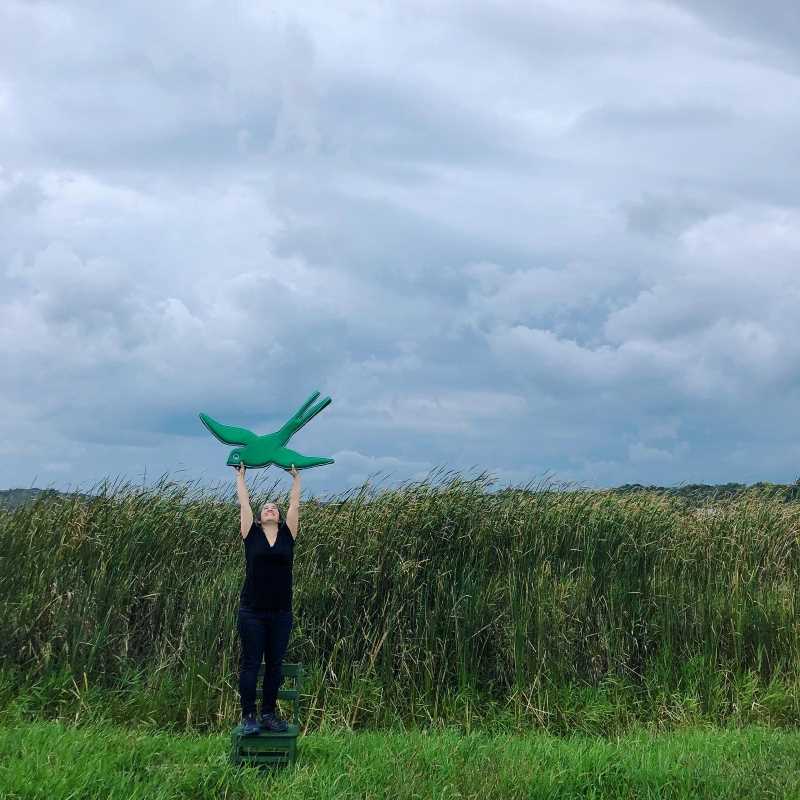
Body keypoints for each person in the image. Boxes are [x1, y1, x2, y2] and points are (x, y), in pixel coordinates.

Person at [235, 460, 300, 735]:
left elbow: (295, 506)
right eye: (266, 508)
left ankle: (269, 714)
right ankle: (249, 716)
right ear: (261, 518)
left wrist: (296, 479)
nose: (271, 508)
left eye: (275, 506)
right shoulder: (251, 535)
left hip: (281, 613)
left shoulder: (288, 535)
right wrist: (241, 477)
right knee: (251, 663)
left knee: (275, 664)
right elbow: (244, 505)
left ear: (279, 515)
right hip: (252, 612)